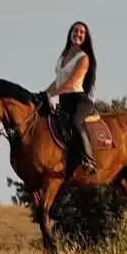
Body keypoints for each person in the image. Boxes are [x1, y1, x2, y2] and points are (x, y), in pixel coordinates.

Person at [42, 20, 98, 174]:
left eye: (81, 32)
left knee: (75, 122)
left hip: (79, 101)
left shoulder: (83, 58)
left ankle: (89, 161)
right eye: (75, 31)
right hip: (64, 101)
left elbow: (71, 82)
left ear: (85, 37)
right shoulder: (63, 56)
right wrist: (43, 94)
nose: (78, 34)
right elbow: (58, 81)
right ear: (70, 34)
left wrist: (52, 94)